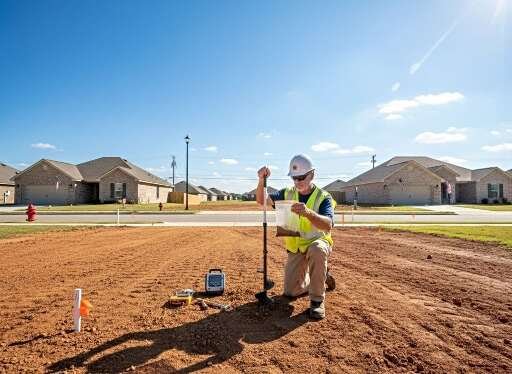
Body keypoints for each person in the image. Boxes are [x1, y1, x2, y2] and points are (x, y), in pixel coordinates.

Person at [256, 154, 336, 319]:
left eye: (301, 178)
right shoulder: (287, 193)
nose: (297, 182)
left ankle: (317, 301)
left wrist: (308, 213)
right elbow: (262, 201)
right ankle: (321, 277)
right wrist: (260, 180)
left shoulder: (323, 197)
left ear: (312, 175)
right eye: (294, 178)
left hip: (317, 242)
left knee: (317, 249)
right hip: (297, 247)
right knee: (290, 292)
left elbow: (328, 225)